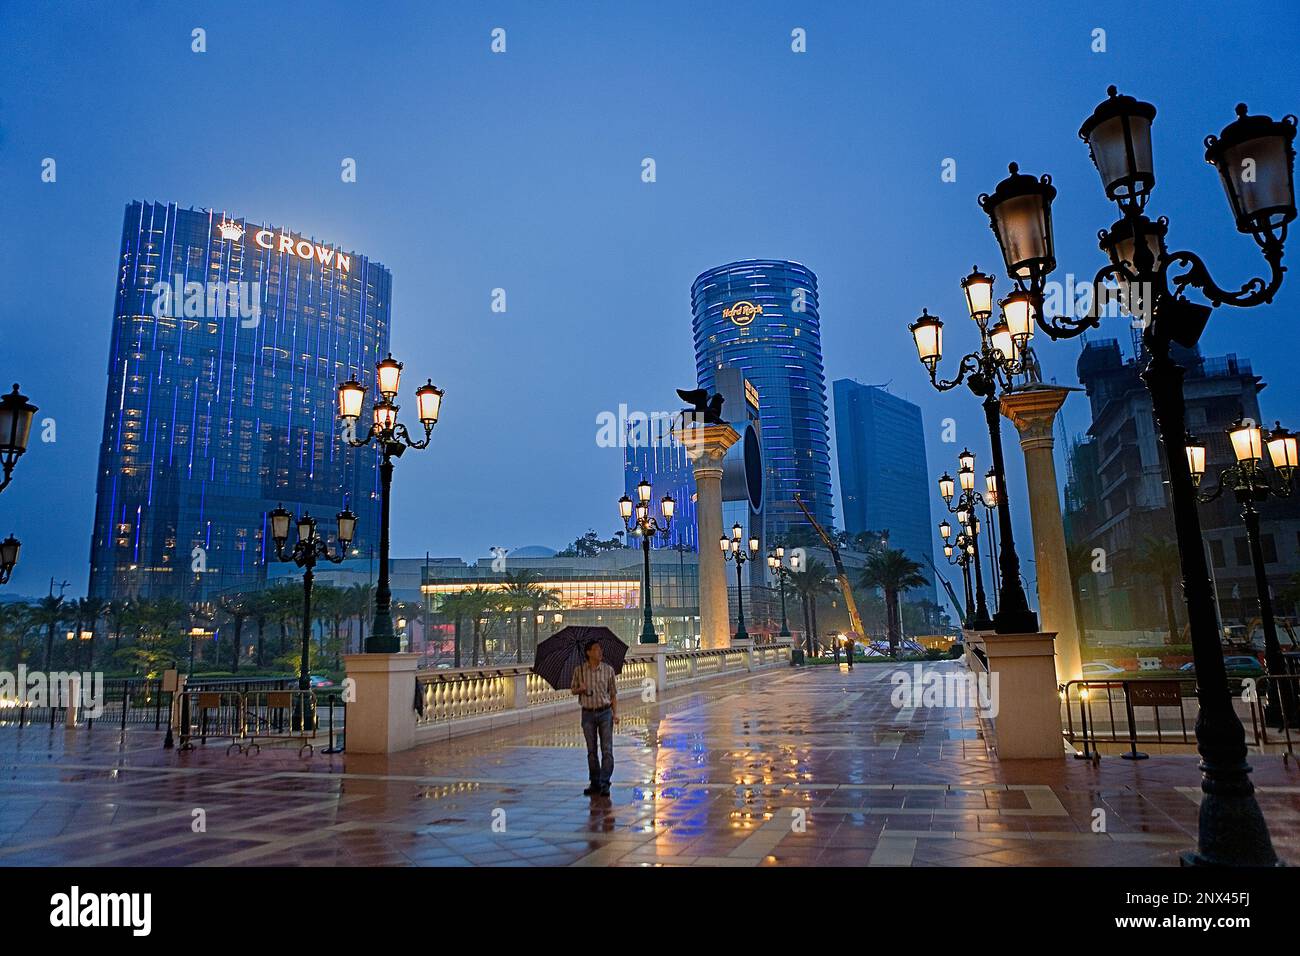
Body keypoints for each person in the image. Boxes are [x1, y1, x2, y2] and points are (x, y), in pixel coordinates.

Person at [570, 639, 618, 796]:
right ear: (588, 652)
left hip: (605, 713)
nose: (600, 652)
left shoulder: (608, 670)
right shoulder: (580, 671)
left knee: (607, 750)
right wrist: (580, 689)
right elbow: (573, 690)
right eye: (596, 649)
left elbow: (613, 694)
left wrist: (615, 713)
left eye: (600, 649)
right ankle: (595, 782)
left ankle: (605, 782)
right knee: (591, 750)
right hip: (588, 713)